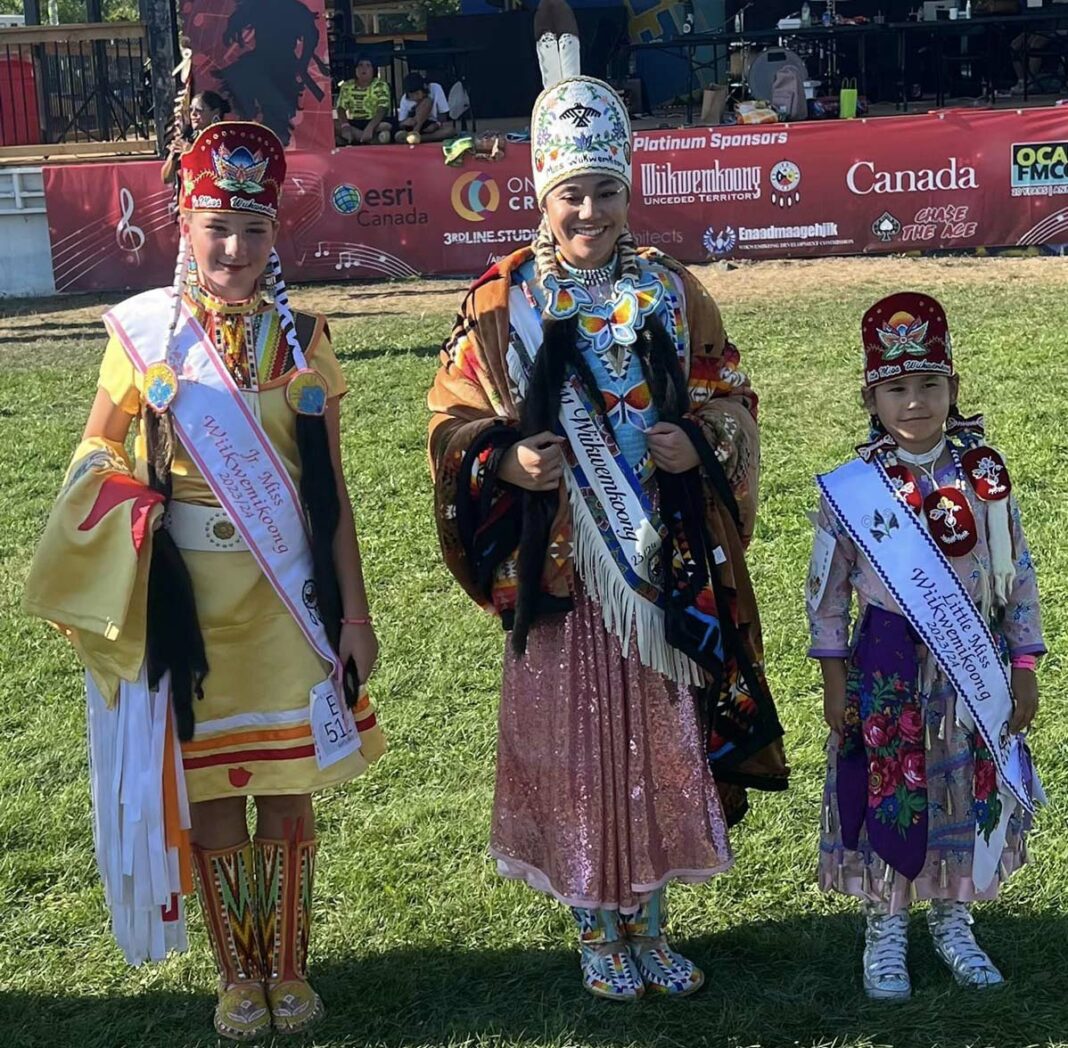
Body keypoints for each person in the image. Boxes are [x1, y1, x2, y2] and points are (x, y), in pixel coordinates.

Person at [428, 9, 787, 1002]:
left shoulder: (673, 293)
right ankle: (596, 927)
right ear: (544, 198)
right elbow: (453, 420)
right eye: (572, 194)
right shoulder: (503, 305)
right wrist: (506, 468)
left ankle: (651, 922)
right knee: (582, 752)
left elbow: (727, 392)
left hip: (656, 561)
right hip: (564, 572)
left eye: (605, 194)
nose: (589, 212)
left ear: (629, 194)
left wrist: (700, 442)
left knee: (658, 745)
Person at [24, 122, 385, 1041]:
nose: (235, 250)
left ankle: (291, 966)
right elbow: (93, 459)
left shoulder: (304, 340)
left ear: (277, 239)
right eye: (217, 227)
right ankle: (239, 973)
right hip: (189, 613)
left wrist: (355, 612)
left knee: (290, 786)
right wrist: (123, 504)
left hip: (285, 604)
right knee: (217, 794)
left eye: (254, 230)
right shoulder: (145, 338)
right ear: (183, 225)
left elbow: (330, 493)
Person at [807, 293, 1044, 1001]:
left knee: (960, 789)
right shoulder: (853, 489)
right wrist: (834, 679)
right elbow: (828, 593)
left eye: (928, 386)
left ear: (953, 389)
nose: (915, 404)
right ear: (871, 397)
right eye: (897, 390)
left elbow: (1018, 575)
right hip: (886, 663)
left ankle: (953, 920)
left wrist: (1025, 663)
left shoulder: (984, 479)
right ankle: (886, 930)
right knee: (892, 789)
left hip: (970, 665)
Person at [160, 90, 230, 187]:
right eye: (191, 110)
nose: (193, 114)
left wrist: (191, 152)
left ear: (216, 112)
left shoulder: (225, 139)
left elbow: (222, 174)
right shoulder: (187, 136)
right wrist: (173, 156)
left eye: (199, 110)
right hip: (190, 198)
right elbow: (166, 178)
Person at [336, 56, 393, 145]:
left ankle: (356, 139)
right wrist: (345, 126)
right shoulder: (347, 86)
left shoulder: (380, 85)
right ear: (355, 69)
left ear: (373, 69)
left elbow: (383, 109)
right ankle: (368, 140)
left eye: (368, 65)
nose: (364, 68)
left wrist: (370, 127)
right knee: (333, 124)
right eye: (360, 65)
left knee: (386, 126)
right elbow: (340, 108)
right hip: (355, 123)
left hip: (374, 122)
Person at [394, 72, 454, 144]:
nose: (416, 97)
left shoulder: (435, 88)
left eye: (417, 93)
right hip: (413, 126)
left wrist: (437, 125)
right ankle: (413, 134)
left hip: (431, 126)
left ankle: (417, 138)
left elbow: (443, 113)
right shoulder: (405, 99)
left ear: (424, 87)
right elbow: (401, 122)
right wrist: (406, 122)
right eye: (412, 95)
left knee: (450, 131)